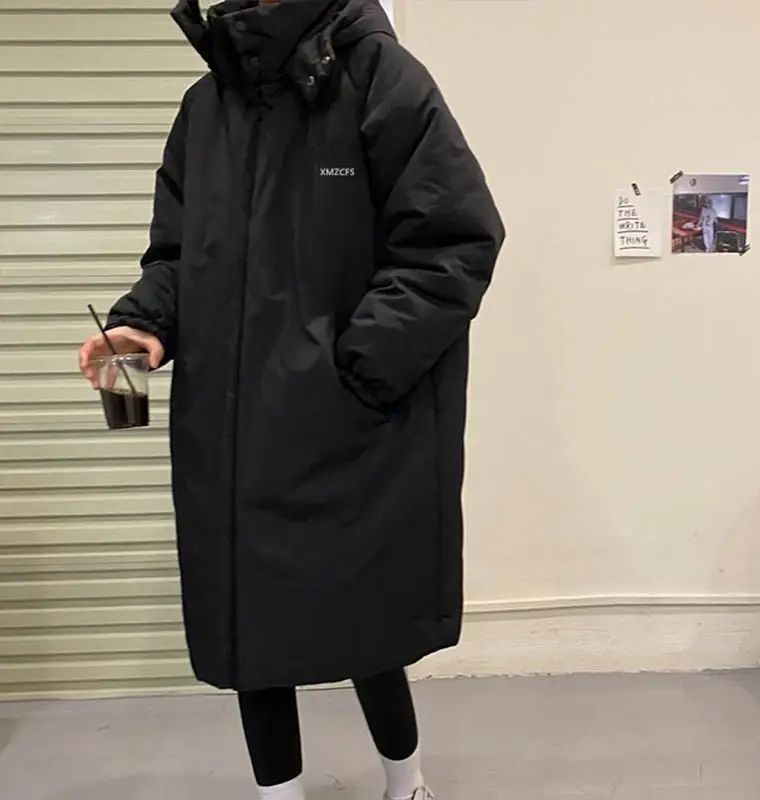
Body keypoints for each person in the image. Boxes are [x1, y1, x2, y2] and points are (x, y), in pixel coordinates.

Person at [78, 1, 505, 799]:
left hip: (352, 422)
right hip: (231, 426)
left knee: (368, 620)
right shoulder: (206, 107)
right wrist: (144, 323)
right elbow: (177, 254)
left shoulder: (378, 77)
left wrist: (355, 370)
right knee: (251, 631)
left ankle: (407, 784)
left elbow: (453, 239)